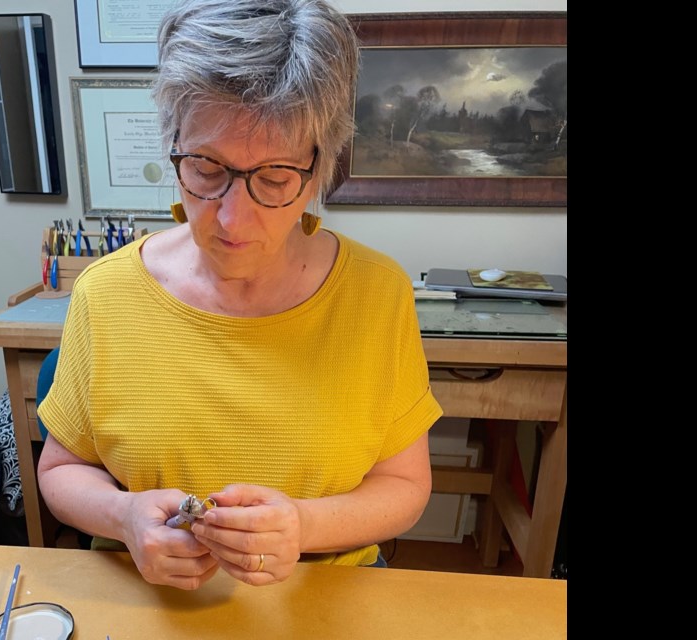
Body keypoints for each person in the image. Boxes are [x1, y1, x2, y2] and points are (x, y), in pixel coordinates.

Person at [37, 0, 442, 590]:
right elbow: (61, 469)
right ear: (173, 145)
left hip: (324, 599)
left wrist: (302, 525)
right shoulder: (106, 292)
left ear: (319, 169)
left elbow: (405, 487)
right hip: (149, 600)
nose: (233, 217)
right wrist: (124, 516)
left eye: (274, 178)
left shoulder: (377, 294)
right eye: (205, 168)